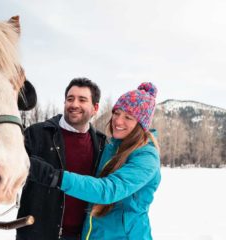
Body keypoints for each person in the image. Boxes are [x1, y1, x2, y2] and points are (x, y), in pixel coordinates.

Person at [30, 82, 161, 240]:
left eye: (128, 117)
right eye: (117, 113)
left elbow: (107, 190)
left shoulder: (146, 157)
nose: (118, 121)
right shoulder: (110, 147)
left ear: (141, 125)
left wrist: (54, 176)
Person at [16, 78, 107, 240]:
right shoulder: (37, 134)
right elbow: (10, 165)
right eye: (70, 99)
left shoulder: (101, 144)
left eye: (82, 100)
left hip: (82, 235)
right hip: (37, 234)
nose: (74, 104)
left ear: (95, 108)